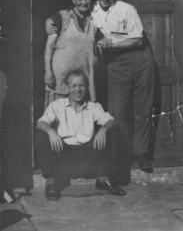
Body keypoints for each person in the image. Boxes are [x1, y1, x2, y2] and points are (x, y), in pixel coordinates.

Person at [46, 0, 155, 186]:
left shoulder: (126, 9)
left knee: (143, 109)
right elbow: (69, 13)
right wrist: (50, 22)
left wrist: (111, 43)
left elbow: (138, 39)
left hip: (140, 57)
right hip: (115, 62)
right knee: (118, 111)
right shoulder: (90, 9)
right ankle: (122, 157)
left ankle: (141, 153)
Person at [35, 70, 126, 200]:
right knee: (41, 136)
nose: (78, 89)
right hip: (64, 156)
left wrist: (103, 130)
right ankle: (51, 182)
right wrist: (51, 132)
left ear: (87, 87)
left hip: (88, 157)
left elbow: (111, 121)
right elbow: (41, 123)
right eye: (73, 86)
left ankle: (103, 179)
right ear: (66, 88)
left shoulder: (94, 106)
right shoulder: (57, 105)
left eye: (81, 85)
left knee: (113, 133)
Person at [43, 0, 97, 108]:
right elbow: (49, 45)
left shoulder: (94, 18)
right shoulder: (62, 16)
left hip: (83, 81)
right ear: (73, 0)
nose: (84, 2)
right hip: (60, 78)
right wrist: (47, 71)